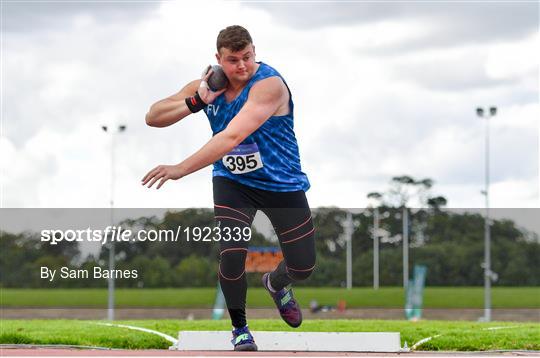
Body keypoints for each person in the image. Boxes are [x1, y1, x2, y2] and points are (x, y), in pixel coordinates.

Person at [142, 25, 316, 352]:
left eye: (247, 57)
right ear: (218, 59)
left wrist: (180, 169)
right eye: (233, 60)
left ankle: (277, 285)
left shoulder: (269, 86)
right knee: (232, 255)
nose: (242, 67)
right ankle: (240, 328)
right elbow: (153, 116)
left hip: (281, 184)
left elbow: (231, 138)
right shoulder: (208, 87)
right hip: (232, 182)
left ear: (254, 51)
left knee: (303, 265)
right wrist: (196, 100)